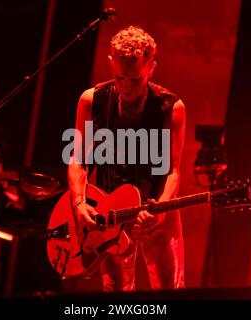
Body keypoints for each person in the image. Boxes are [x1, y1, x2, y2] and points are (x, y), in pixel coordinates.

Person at [68, 26, 186, 291]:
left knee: (170, 293)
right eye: (120, 77)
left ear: (151, 68)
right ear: (111, 63)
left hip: (157, 210)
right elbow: (78, 158)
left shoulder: (172, 107)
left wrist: (162, 209)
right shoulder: (91, 100)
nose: (126, 87)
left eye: (136, 80)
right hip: (111, 211)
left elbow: (174, 171)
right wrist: (78, 203)